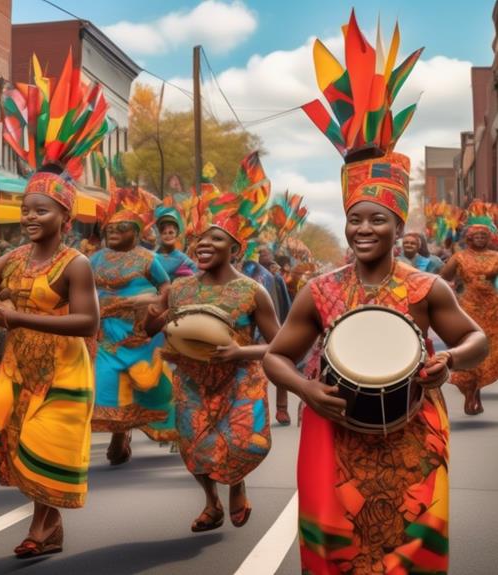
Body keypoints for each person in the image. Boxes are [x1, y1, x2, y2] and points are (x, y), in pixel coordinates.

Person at [266, 16, 489, 572]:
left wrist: (450, 360)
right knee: (337, 553)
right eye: (355, 220)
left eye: (378, 220)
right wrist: (305, 391)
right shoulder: (319, 290)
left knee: (409, 554)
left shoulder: (425, 286)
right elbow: (275, 355)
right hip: (334, 429)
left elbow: (477, 338)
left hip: (411, 432)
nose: (364, 230)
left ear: (396, 225)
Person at [0, 53, 103, 558]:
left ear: (63, 216)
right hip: (17, 366)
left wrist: (13, 316)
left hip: (65, 372)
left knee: (43, 449)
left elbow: (87, 320)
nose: (29, 216)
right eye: (25, 210)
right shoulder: (15, 256)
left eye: (40, 210)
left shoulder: (76, 265)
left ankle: (40, 528)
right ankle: (48, 527)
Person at [145, 210, 280, 533]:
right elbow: (150, 329)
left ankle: (237, 483)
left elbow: (280, 344)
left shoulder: (252, 291)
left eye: (215, 239)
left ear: (234, 249)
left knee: (246, 443)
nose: (204, 244)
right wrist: (153, 312)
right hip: (192, 381)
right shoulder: (179, 289)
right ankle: (211, 503)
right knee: (194, 447)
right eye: (200, 239)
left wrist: (239, 351)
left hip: (240, 379)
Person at [90, 188, 175, 465]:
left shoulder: (148, 259)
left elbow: (166, 289)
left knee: (145, 384)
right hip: (105, 333)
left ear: (136, 233)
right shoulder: (95, 259)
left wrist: (141, 301)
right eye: (110, 227)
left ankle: (124, 434)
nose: (113, 231)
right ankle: (119, 433)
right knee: (106, 385)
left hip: (140, 333)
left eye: (122, 227)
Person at [440, 201, 498, 415]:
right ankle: (470, 394)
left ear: (489, 238)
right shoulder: (459, 257)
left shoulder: (496, 257)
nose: (481, 239)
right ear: (469, 237)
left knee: (488, 353)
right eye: (477, 235)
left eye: (484, 235)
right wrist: (452, 292)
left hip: (492, 308)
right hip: (468, 307)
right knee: (471, 349)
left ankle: (478, 391)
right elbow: (443, 278)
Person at [253, 243, 294, 425]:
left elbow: (285, 303)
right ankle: (254, 412)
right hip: (251, 332)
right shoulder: (242, 274)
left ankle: (282, 409)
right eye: (260, 252)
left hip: (274, 326)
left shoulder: (275, 278)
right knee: (254, 373)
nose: (263, 255)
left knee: (279, 364)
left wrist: (287, 326)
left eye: (265, 252)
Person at [154, 206, 197, 279]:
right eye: (164, 233)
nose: (168, 235)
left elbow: (195, 275)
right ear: (160, 235)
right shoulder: (153, 256)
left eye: (171, 233)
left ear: (176, 234)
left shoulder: (182, 259)